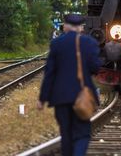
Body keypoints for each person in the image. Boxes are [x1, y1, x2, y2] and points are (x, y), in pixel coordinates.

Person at [38, 14, 102, 156]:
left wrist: (42, 99)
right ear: (81, 27)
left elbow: (49, 73)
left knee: (66, 134)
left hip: (60, 98)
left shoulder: (56, 44)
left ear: (65, 26)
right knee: (82, 134)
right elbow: (96, 68)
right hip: (82, 95)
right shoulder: (89, 43)